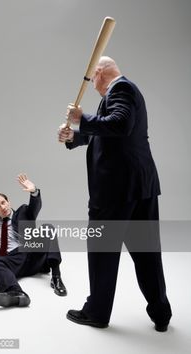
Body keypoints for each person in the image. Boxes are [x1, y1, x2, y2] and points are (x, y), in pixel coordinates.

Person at [58, 56, 172, 331]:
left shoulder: (122, 89)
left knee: (102, 251)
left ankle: (96, 312)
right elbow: (109, 131)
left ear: (98, 73)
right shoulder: (125, 91)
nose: (91, 81)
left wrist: (81, 119)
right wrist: (74, 135)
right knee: (147, 253)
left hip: (116, 191)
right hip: (138, 187)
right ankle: (161, 314)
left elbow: (119, 125)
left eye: (91, 75)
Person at [0, 173, 67, 307]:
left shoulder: (24, 212)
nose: (3, 207)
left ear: (8, 202)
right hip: (13, 261)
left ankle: (56, 277)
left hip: (31, 254)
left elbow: (35, 207)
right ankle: (17, 294)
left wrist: (34, 192)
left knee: (48, 229)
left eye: (3, 203)